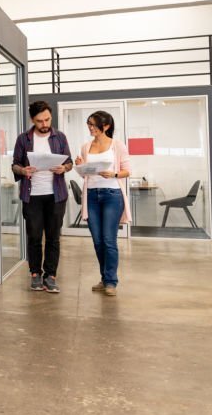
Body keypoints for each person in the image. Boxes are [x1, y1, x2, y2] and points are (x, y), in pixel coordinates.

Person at [10, 100, 73, 293]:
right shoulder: (23, 139)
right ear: (32, 119)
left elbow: (69, 162)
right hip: (33, 196)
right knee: (35, 237)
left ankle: (51, 276)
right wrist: (23, 170)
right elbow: (14, 165)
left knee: (53, 238)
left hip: (56, 195)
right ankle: (35, 274)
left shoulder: (59, 137)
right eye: (40, 121)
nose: (45, 124)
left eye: (47, 119)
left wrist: (64, 167)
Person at [75, 110, 131, 297]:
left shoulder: (117, 145)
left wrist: (113, 174)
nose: (90, 127)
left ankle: (111, 281)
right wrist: (80, 165)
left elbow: (127, 171)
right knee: (98, 241)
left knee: (108, 240)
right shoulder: (85, 147)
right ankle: (104, 278)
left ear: (105, 126)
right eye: (88, 124)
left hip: (112, 195)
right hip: (91, 195)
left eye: (93, 124)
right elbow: (84, 175)